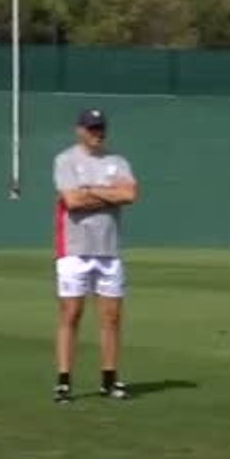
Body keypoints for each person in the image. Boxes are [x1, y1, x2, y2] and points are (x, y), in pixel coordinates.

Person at [52, 108, 139, 404]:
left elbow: (129, 195)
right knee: (71, 313)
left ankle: (109, 380)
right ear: (79, 130)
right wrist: (108, 193)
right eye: (91, 128)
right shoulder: (66, 160)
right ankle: (64, 382)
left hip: (109, 248)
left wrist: (92, 190)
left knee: (111, 318)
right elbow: (73, 201)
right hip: (75, 248)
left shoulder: (118, 161)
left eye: (100, 128)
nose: (96, 133)